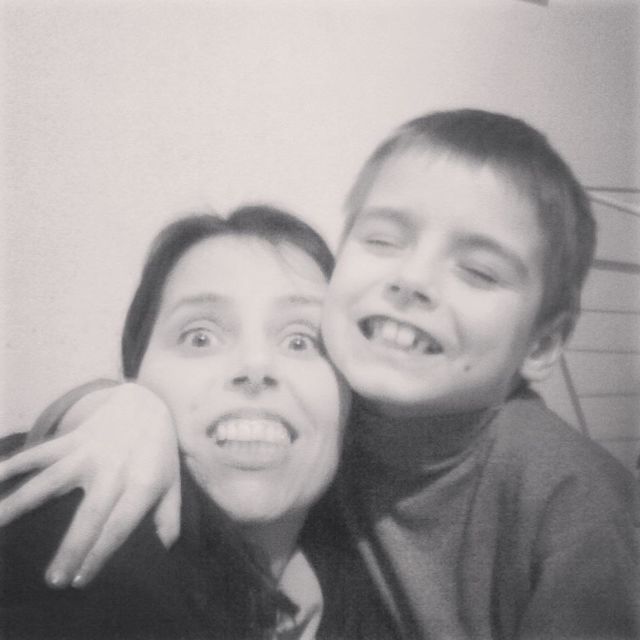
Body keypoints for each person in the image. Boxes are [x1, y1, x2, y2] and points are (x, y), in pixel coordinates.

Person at [1, 109, 638, 639]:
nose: (412, 279)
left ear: (542, 344)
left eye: (478, 270)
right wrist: (114, 407)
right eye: (383, 240)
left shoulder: (575, 503)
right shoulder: (86, 540)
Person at [1, 206, 396, 639]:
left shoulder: (384, 592)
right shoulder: (61, 523)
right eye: (200, 337)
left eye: (302, 340)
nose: (256, 366)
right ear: (136, 376)